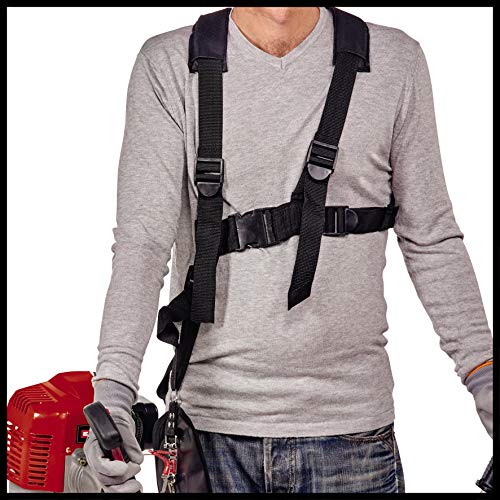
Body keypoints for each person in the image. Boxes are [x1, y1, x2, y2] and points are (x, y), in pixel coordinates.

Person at [83, 7, 493, 493]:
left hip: (351, 432)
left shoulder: (393, 62)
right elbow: (142, 244)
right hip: (209, 433)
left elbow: (431, 237)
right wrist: (113, 393)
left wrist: (484, 371)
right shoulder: (172, 63)